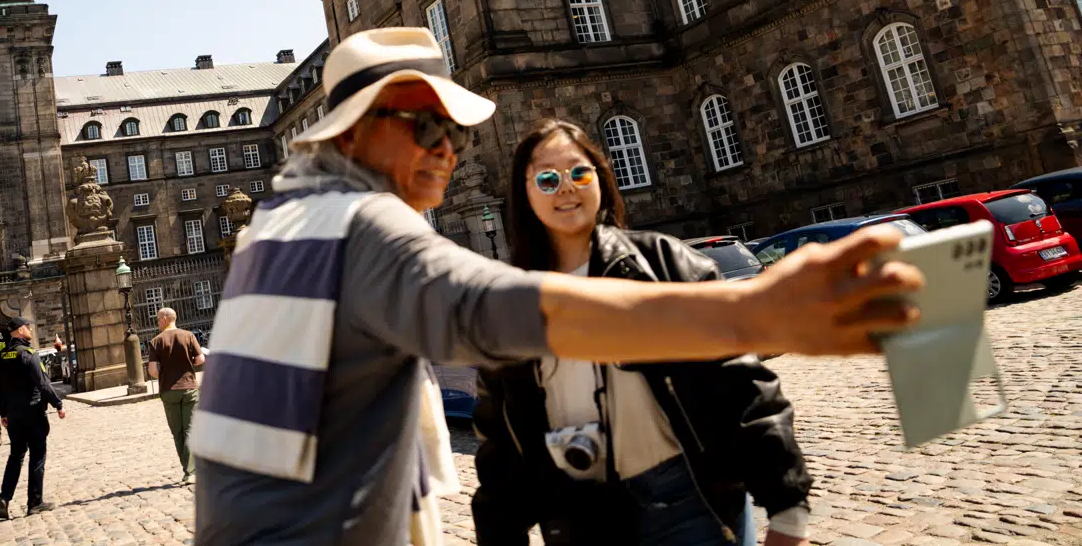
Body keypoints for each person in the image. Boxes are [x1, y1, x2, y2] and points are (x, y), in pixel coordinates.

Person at [189, 27, 922, 546]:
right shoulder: (360, 222)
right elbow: (494, 314)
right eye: (422, 126)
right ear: (351, 137)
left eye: (457, 133)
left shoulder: (272, 233)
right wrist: (754, 308)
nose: (445, 151)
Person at [472, 119, 811, 546]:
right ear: (525, 193)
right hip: (582, 515)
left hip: (685, 496)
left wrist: (788, 508)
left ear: (600, 177)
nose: (566, 187)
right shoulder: (512, 304)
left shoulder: (664, 264)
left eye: (579, 172)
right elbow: (500, 443)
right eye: (546, 177)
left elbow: (744, 386)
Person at [0, 316, 66, 519]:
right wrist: (58, 404)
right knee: (37, 455)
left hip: (14, 415)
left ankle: (5, 497)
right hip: (33, 411)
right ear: (18, 331)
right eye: (27, 327)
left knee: (15, 456)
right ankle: (35, 502)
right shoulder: (28, 354)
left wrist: (3, 413)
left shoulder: (0, 357)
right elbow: (43, 384)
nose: (30, 330)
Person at [147, 307, 206, 484]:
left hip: (169, 391)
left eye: (158, 319)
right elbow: (200, 359)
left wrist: (165, 375)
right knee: (190, 429)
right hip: (189, 388)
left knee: (178, 431)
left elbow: (152, 370)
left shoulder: (156, 341)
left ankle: (188, 471)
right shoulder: (188, 336)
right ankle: (191, 471)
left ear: (165, 319)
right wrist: (188, 367)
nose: (157, 322)